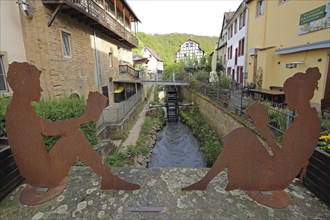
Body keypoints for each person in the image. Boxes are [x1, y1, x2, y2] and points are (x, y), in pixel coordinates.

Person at [182, 67, 321, 193]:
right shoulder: (307, 120)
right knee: (241, 136)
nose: (285, 101)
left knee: (241, 137)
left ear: (299, 95)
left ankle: (209, 182)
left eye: (287, 95)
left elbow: (283, 163)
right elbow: (288, 159)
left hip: (276, 178)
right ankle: (207, 182)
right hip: (278, 171)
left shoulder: (307, 124)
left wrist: (265, 132)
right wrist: (263, 129)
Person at [5, 62, 139, 190]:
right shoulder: (20, 113)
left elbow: (51, 127)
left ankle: (108, 178)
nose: (40, 88)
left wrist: (83, 118)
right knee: (75, 137)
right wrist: (84, 118)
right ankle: (108, 179)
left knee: (73, 134)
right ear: (24, 84)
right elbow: (51, 129)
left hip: (35, 175)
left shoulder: (18, 110)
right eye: (36, 83)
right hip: (42, 177)